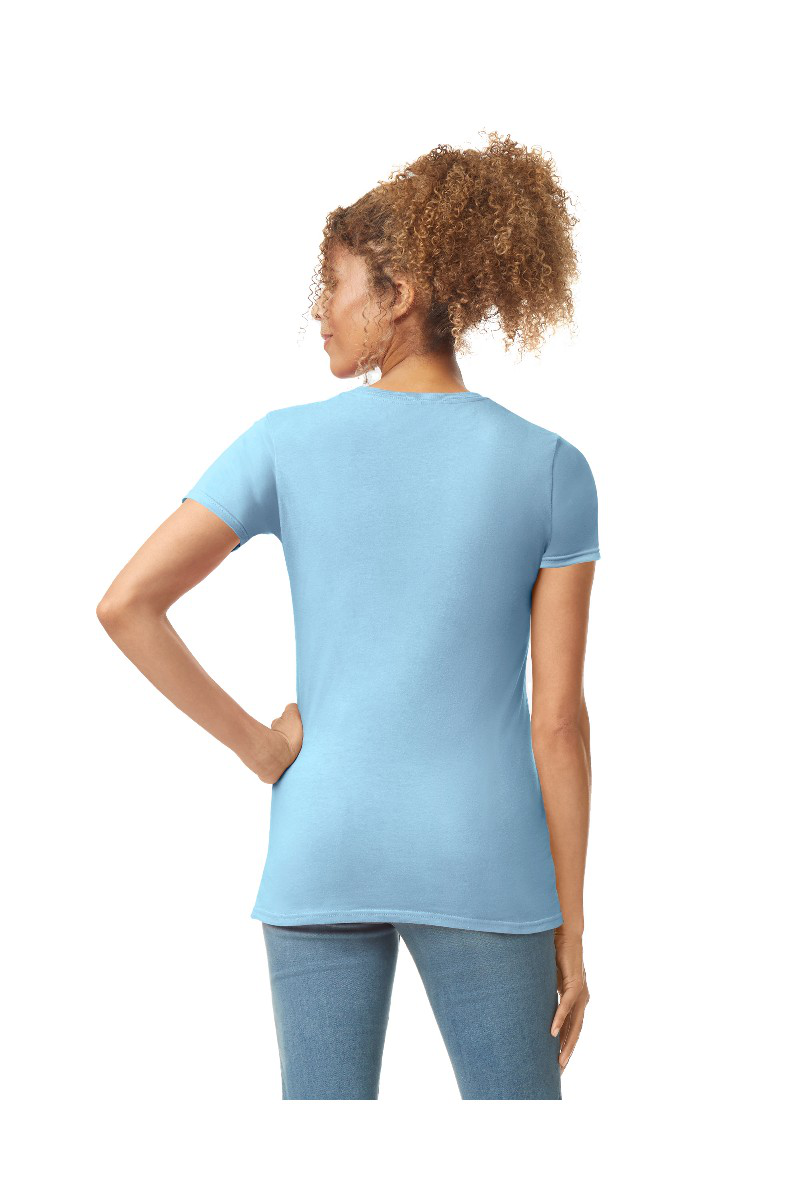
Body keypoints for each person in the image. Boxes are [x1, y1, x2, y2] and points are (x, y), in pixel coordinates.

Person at [97, 132, 600, 1101]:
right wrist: (571, 928)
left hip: (321, 841)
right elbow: (557, 723)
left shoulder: (281, 444)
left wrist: (261, 749)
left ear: (398, 293)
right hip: (483, 857)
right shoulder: (550, 469)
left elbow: (128, 604)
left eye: (334, 285)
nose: (319, 311)